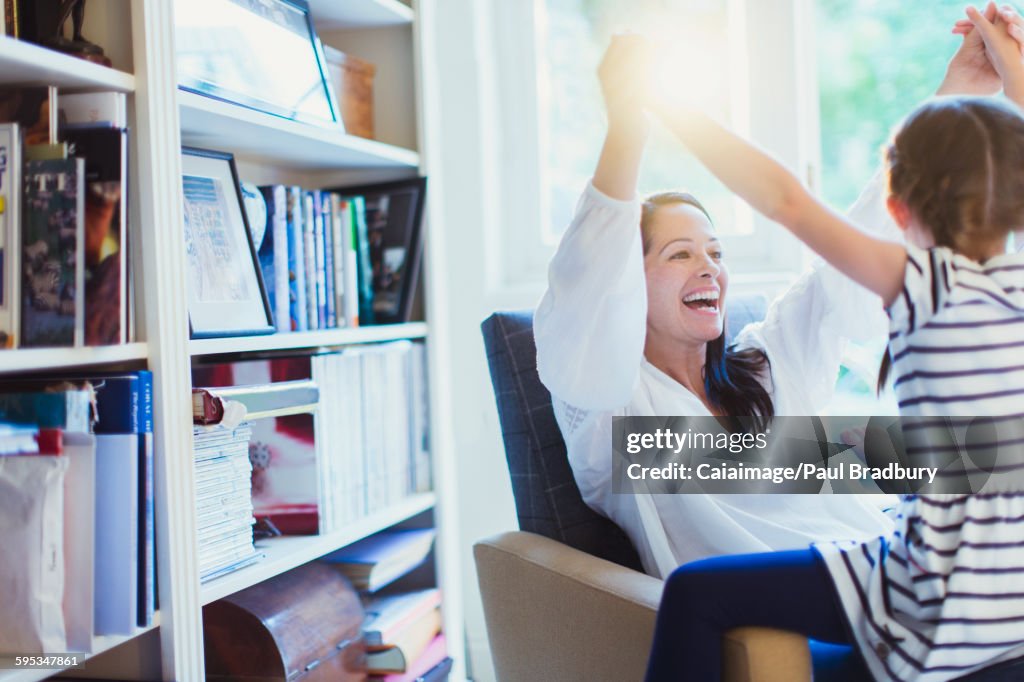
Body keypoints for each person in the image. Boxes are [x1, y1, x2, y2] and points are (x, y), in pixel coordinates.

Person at [533, 7, 1009, 577]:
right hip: (796, 615)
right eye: (679, 253)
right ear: (625, 283)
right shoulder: (609, 414)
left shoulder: (765, 366)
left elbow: (848, 261)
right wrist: (627, 128)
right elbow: (589, 276)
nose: (709, 268)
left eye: (716, 252)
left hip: (894, 564)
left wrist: (955, 94)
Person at [643, 5, 1024, 681]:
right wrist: (1007, 66)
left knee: (693, 592)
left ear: (898, 212)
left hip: (935, 599)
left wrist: (671, 107)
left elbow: (787, 200)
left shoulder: (918, 279)